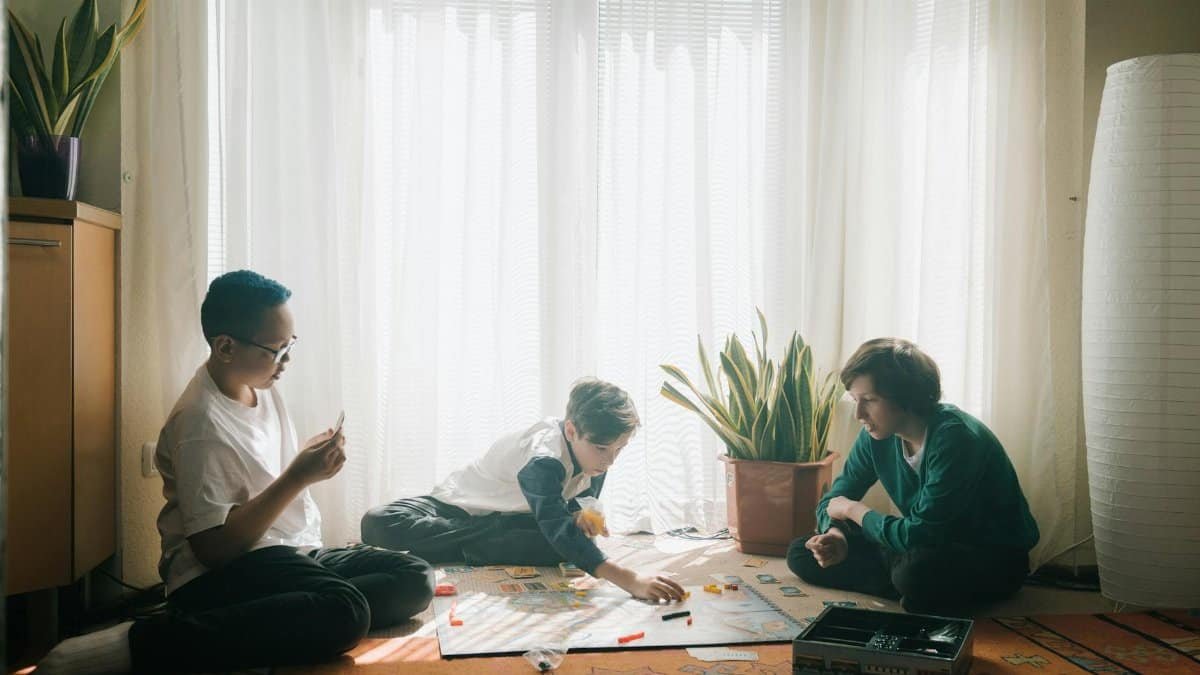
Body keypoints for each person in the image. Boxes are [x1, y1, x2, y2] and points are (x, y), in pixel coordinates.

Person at [38, 270, 434, 674]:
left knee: (414, 578)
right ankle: (141, 643)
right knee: (347, 611)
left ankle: (265, 617)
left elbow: (256, 482)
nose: (287, 361)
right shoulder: (198, 423)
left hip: (285, 551)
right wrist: (298, 477)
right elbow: (214, 550)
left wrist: (303, 460)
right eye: (277, 350)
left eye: (290, 345)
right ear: (226, 346)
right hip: (223, 572)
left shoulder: (259, 388)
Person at [361, 378, 685, 602]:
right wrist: (629, 579)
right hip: (457, 508)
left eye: (620, 448)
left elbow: (581, 503)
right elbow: (557, 524)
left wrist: (584, 516)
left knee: (565, 545)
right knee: (377, 523)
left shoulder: (596, 457)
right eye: (602, 449)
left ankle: (489, 541)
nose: (611, 460)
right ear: (571, 430)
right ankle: (486, 541)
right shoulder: (543, 459)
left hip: (517, 516)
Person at [787, 338, 1038, 616]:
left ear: (905, 396)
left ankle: (908, 583)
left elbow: (919, 533)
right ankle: (909, 585)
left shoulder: (956, 439)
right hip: (920, 545)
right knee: (802, 553)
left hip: (988, 557)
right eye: (855, 400)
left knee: (916, 571)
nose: (858, 414)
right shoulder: (875, 435)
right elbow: (835, 498)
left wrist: (853, 510)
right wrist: (836, 534)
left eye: (869, 400)